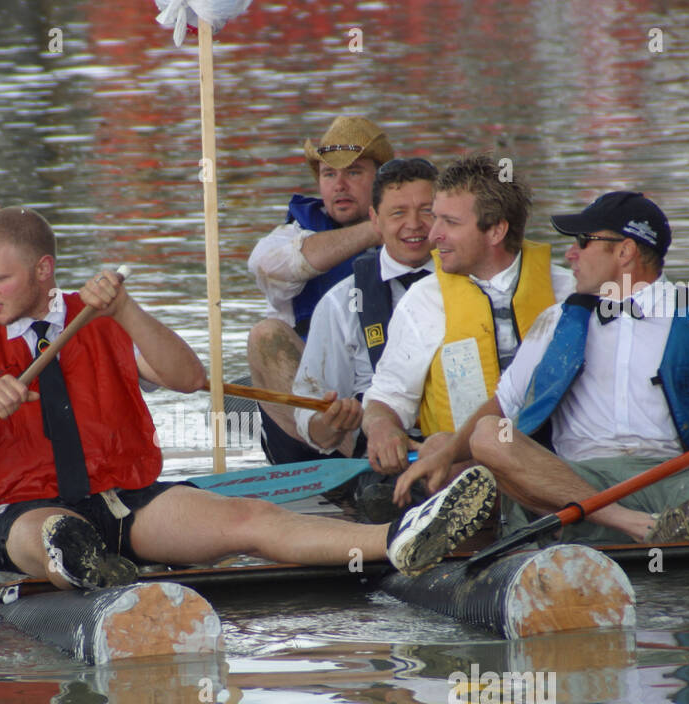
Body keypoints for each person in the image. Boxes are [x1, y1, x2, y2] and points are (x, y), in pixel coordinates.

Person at [0, 207, 498, 589]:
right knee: (58, 538)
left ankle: (398, 539)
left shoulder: (100, 316)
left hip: (126, 503)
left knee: (248, 518)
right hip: (25, 514)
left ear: (44, 271)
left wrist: (126, 310)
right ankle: (87, 572)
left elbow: (188, 377)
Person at [393, 190, 689, 544]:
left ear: (624, 252)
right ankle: (637, 526)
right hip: (576, 485)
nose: (570, 253)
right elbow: (501, 406)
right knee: (485, 435)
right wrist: (444, 452)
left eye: (582, 242)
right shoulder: (556, 319)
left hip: (687, 486)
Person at [359, 153, 577, 482]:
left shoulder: (568, 293)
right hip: (463, 467)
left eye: (451, 223)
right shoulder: (423, 300)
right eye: (437, 219)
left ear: (495, 231)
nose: (433, 235)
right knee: (439, 445)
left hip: (558, 462)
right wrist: (380, 427)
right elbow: (387, 398)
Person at [247, 116, 393, 464]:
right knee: (264, 335)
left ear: (382, 180)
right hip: (311, 424)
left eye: (354, 172)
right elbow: (265, 266)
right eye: (329, 175)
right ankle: (361, 456)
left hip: (385, 397)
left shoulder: (416, 234)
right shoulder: (291, 235)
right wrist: (379, 229)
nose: (340, 185)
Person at [291, 157, 439, 459]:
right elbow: (314, 428)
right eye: (398, 213)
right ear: (375, 220)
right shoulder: (339, 303)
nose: (414, 225)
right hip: (381, 461)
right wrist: (332, 423)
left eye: (427, 212)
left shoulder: (476, 284)